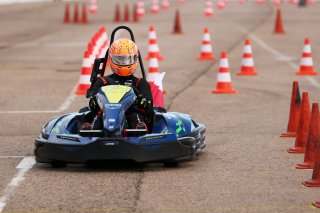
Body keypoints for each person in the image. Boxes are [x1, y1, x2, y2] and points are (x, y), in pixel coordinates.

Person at [84, 38, 154, 132]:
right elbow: (92, 107)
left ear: (135, 59)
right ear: (111, 59)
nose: (124, 63)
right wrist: (94, 101)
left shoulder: (140, 83)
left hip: (131, 119)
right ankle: (91, 130)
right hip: (105, 116)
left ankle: (139, 128)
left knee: (134, 114)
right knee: (99, 115)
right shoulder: (103, 81)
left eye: (128, 59)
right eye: (120, 59)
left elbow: (149, 110)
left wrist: (141, 101)